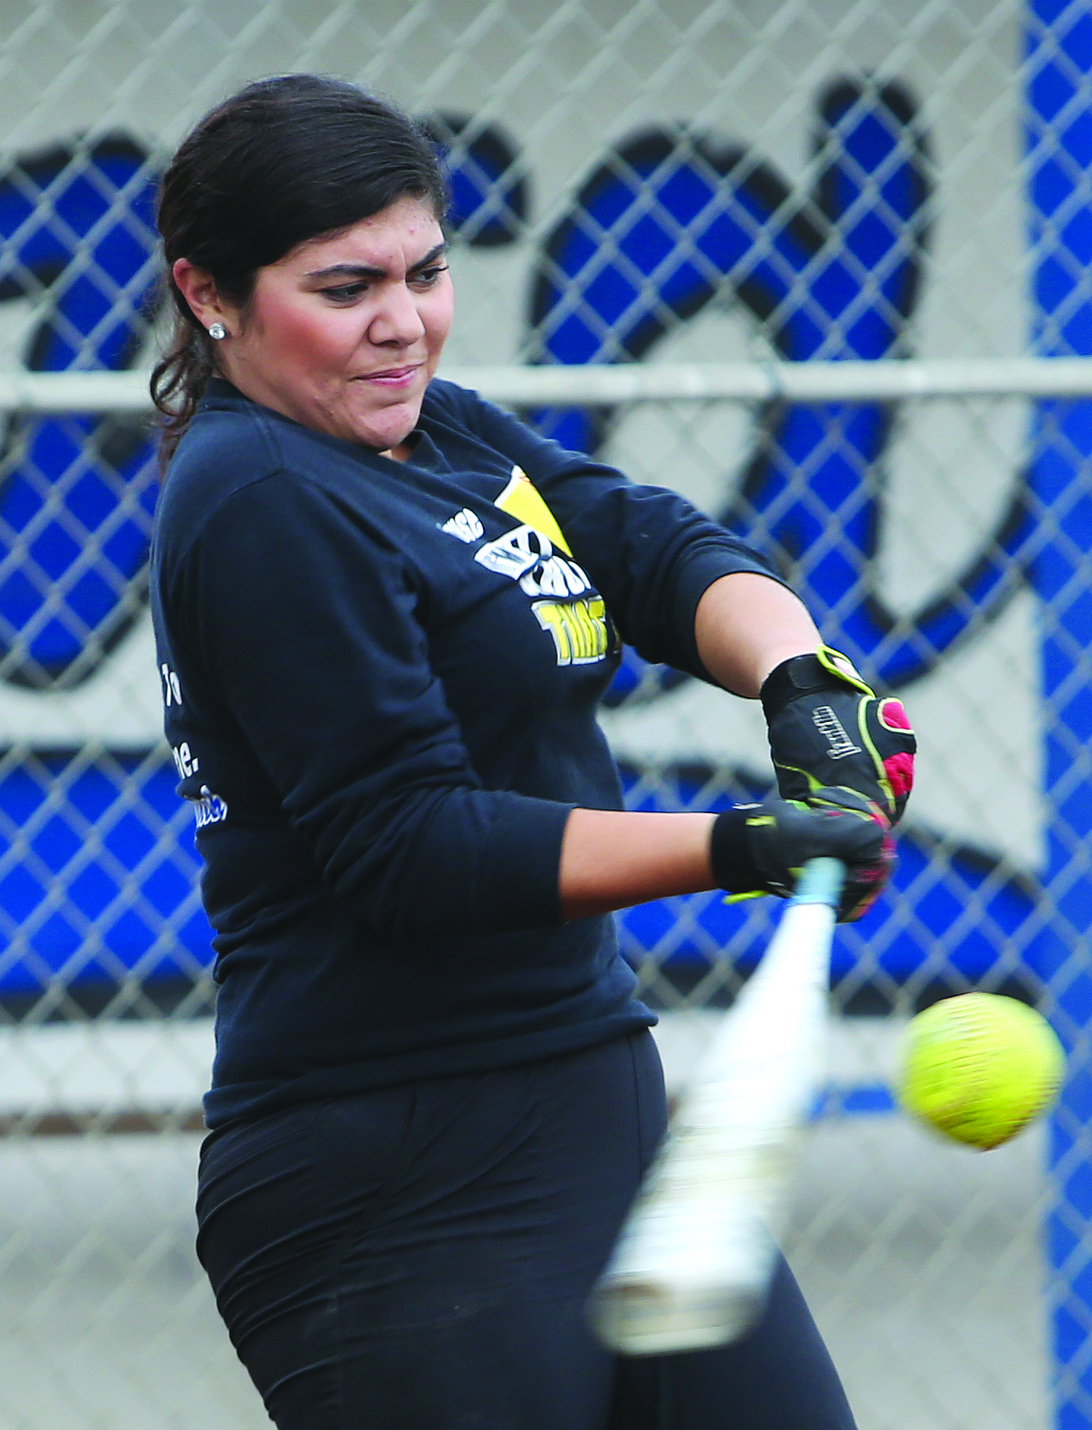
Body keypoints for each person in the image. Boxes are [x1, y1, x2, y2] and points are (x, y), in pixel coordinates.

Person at [148, 73, 916, 1430]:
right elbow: (413, 847)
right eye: (344, 287)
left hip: (592, 1096)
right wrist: (740, 843)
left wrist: (799, 682)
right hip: (392, 1168)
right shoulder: (259, 493)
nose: (403, 323)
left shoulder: (421, 427)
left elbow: (638, 543)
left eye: (426, 271)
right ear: (212, 296)